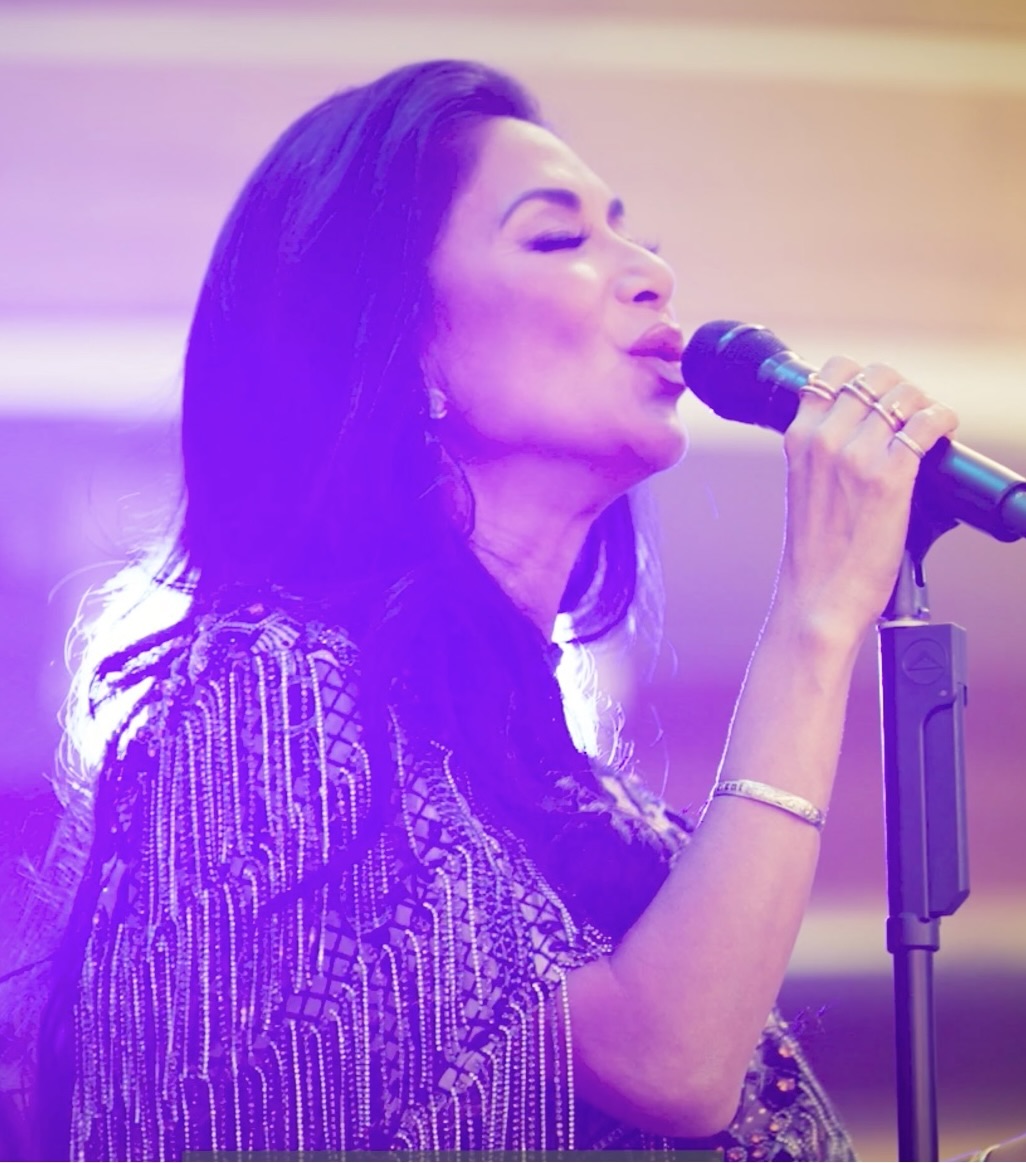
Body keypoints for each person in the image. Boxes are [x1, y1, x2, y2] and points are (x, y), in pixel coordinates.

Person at [27, 57, 975, 1160]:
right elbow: (667, 1061)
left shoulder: (589, 804)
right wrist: (816, 612)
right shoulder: (260, 695)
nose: (653, 275)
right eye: (558, 238)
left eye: (639, 238)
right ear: (402, 338)